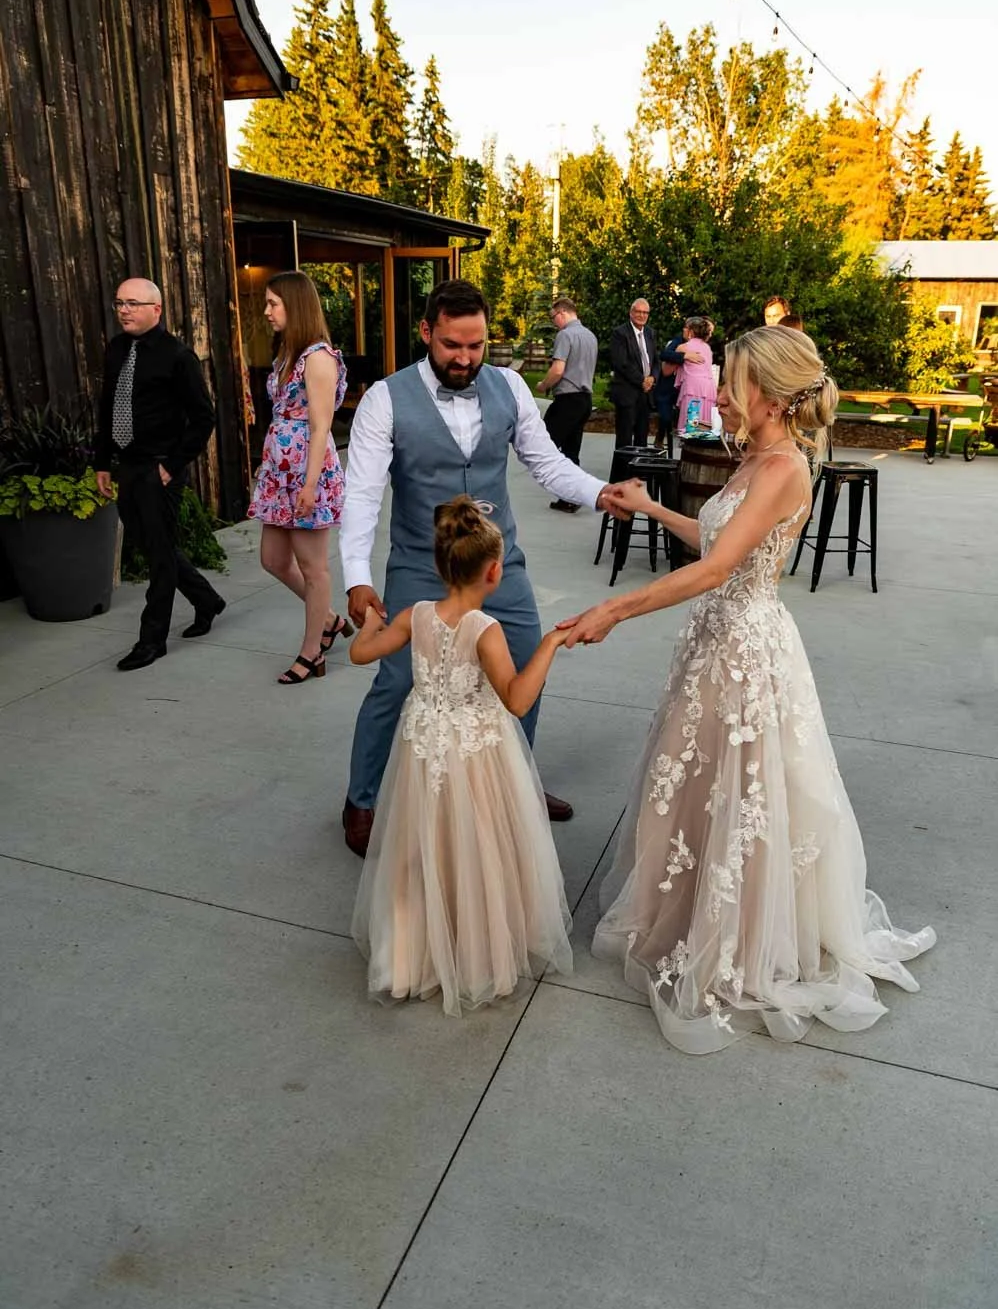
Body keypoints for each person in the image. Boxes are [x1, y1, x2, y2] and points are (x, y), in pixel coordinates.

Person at [559, 325, 936, 1054]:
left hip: (746, 651)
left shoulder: (785, 469)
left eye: (731, 385)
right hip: (714, 643)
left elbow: (715, 569)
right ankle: (695, 912)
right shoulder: (755, 458)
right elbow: (713, 541)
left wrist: (614, 608)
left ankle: (738, 937)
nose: (719, 398)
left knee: (747, 791)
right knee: (700, 785)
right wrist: (650, 508)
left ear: (769, 394)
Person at [338, 277, 623, 858]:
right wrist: (356, 576)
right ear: (426, 333)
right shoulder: (385, 399)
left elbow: (546, 463)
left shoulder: (511, 387)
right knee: (396, 680)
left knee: (525, 669)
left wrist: (601, 493)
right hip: (422, 563)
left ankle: (513, 784)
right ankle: (362, 799)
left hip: (498, 561)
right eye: (451, 346)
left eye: (475, 346)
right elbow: (362, 493)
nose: (465, 359)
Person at [349, 496, 574, 1016]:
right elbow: (517, 699)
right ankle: (475, 954)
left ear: (442, 563)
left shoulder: (416, 615)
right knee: (477, 846)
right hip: (474, 754)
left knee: (422, 841)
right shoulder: (485, 630)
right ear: (494, 571)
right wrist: (550, 645)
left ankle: (409, 955)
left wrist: (366, 624)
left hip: (423, 747)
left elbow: (362, 653)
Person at [95, 278, 225, 672]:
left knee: (159, 557)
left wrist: (173, 463)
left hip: (160, 469)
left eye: (133, 303)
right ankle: (206, 600)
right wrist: (103, 462)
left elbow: (204, 417)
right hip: (127, 466)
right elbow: (106, 406)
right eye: (119, 303)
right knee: (156, 548)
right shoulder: (117, 349)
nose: (124, 310)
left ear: (157, 309)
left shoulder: (177, 356)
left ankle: (152, 640)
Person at [247, 271, 351, 685]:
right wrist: (267, 465)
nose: (267, 311)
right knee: (272, 559)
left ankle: (313, 652)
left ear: (296, 305)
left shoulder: (319, 357)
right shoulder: (288, 353)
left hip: (308, 474)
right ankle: (327, 619)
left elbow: (321, 426)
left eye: (274, 303)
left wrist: (309, 486)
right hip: (279, 473)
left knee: (313, 568)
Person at [536, 297, 598, 513]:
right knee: (571, 450)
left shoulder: (565, 335)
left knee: (546, 445)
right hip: (584, 400)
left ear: (562, 313)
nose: (554, 323)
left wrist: (544, 385)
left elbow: (558, 370)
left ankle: (576, 492)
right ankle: (570, 497)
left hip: (568, 399)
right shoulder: (590, 336)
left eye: (554, 318)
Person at [609, 299, 657, 448]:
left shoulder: (651, 333)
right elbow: (621, 363)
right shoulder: (620, 333)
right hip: (627, 393)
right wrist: (642, 380)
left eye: (645, 312)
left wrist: (652, 378)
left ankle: (638, 472)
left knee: (642, 439)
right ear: (631, 313)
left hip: (645, 394)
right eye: (638, 312)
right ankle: (622, 472)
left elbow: (656, 359)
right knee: (624, 440)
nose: (642, 315)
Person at [675, 316, 718, 433]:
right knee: (705, 425)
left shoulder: (683, 347)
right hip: (709, 387)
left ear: (691, 332)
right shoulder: (708, 348)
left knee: (691, 427)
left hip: (693, 387)